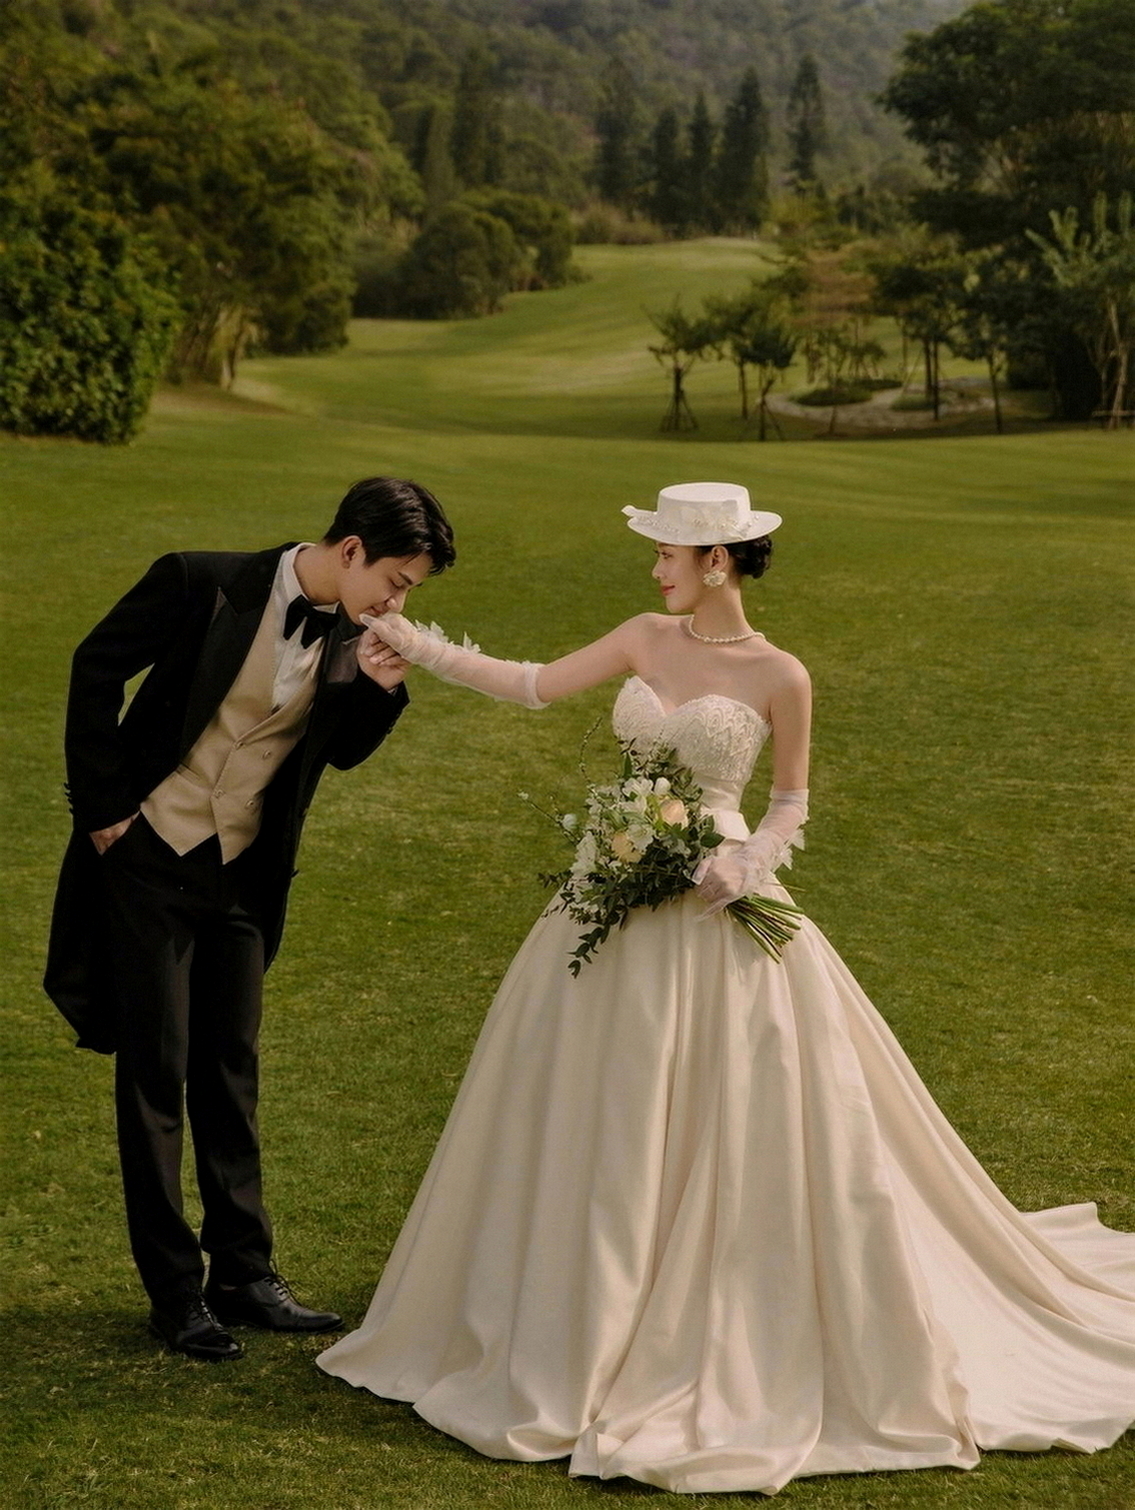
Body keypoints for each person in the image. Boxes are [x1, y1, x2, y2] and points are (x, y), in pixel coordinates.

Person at [316, 481, 1135, 1495]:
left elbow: (788, 802)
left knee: (730, 1105)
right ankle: (580, 1307)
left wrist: (744, 864)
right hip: (610, 899)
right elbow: (529, 684)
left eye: (669, 553)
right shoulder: (641, 636)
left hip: (716, 909)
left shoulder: (780, 674)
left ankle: (707, 1309)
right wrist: (414, 640)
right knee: (598, 1102)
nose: (655, 567)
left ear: (717, 561)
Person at [44, 476, 455, 1362]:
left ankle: (244, 1274)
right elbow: (95, 666)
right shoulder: (202, 581)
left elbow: (339, 753)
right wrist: (106, 811)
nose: (397, 603)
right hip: (148, 856)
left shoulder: (351, 634)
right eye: (395, 581)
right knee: (156, 1072)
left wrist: (378, 688)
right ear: (351, 549)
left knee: (230, 1069)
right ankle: (174, 1293)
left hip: (242, 874)